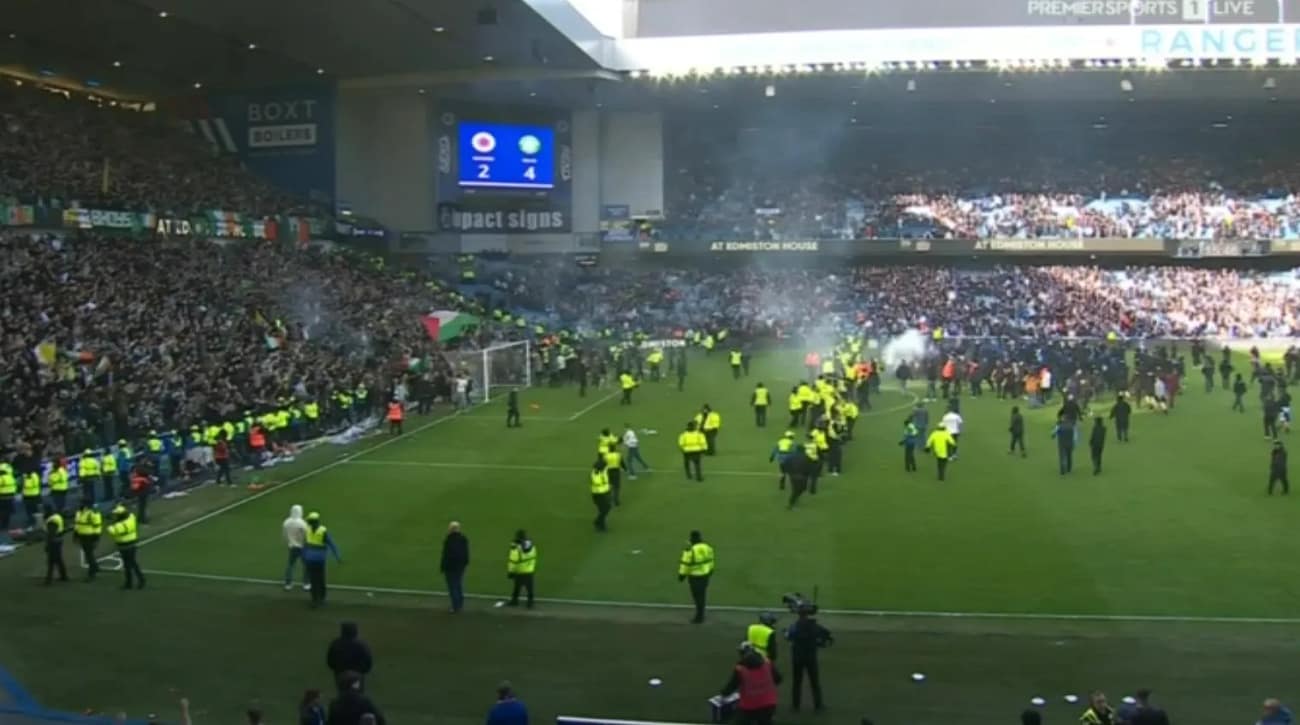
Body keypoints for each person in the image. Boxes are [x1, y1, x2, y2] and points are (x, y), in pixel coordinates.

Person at [720, 642, 781, 725]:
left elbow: (732, 685)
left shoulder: (740, 668)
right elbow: (778, 679)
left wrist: (723, 694)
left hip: (748, 706)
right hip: (769, 704)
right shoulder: (767, 662)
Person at [786, 603, 831, 712]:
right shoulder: (814, 626)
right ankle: (818, 705)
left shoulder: (795, 626)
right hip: (810, 658)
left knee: (797, 682)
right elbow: (826, 634)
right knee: (814, 682)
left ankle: (795, 706)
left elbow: (788, 636)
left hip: (797, 658)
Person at [304, 511, 342, 607]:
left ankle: (314, 600)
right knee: (320, 579)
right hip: (319, 559)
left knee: (313, 580)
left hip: (309, 559)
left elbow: (306, 545)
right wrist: (337, 557)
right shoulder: (322, 531)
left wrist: (304, 555)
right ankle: (321, 599)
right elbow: (331, 544)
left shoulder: (308, 530)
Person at [678, 529, 715, 623]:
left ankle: (699, 616)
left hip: (695, 577)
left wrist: (682, 575)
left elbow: (685, 564)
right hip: (705, 575)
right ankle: (701, 614)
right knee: (702, 595)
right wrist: (711, 570)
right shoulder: (707, 547)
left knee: (697, 596)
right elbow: (711, 560)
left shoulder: (690, 550)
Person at [106, 504, 145, 590]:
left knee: (129, 565)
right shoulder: (131, 518)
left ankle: (134, 581)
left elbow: (111, 530)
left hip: (125, 546)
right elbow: (129, 514)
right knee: (132, 563)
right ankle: (135, 581)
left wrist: (111, 522)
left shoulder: (119, 526)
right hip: (132, 544)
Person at [326, 622, 373, 692]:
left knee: (343, 694)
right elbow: (368, 661)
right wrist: (361, 672)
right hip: (356, 676)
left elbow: (330, 660)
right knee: (356, 694)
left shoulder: (336, 644)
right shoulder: (362, 644)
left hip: (341, 675)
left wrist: (338, 670)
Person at [440, 521, 470, 613]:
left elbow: (446, 555)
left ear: (450, 529)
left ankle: (455, 606)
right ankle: (460, 604)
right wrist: (465, 563)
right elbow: (466, 553)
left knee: (453, 586)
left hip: (451, 567)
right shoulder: (463, 538)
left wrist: (443, 567)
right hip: (460, 566)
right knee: (459, 584)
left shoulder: (449, 540)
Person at [73, 497, 103, 581]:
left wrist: (96, 538)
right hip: (82, 535)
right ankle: (95, 567)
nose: (80, 504)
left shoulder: (93, 513)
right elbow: (77, 524)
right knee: (88, 553)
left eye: (82, 503)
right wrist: (75, 535)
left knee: (89, 555)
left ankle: (92, 573)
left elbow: (97, 526)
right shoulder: (79, 512)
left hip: (90, 536)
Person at [506, 529, 537, 608]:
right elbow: (534, 556)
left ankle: (514, 600)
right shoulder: (531, 545)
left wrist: (510, 571)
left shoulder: (516, 547)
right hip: (529, 570)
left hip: (519, 570)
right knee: (529, 588)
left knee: (517, 586)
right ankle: (530, 603)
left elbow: (513, 560)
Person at [283, 504, 310, 591]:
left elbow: (284, 534)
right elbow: (306, 535)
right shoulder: (302, 523)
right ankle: (306, 583)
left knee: (290, 565)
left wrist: (289, 542)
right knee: (306, 565)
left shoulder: (286, 522)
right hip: (302, 547)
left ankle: (288, 584)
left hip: (292, 546)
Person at [43, 503, 68, 585]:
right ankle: (64, 576)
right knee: (58, 559)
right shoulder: (57, 516)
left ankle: (48, 579)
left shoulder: (51, 520)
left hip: (54, 542)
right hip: (59, 540)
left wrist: (47, 545)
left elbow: (51, 533)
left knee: (51, 561)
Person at [590, 459, 612, 531]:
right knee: (605, 509)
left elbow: (607, 467)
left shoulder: (600, 471)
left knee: (604, 510)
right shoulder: (597, 475)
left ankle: (600, 524)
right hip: (599, 494)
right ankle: (598, 522)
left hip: (601, 493)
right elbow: (601, 484)